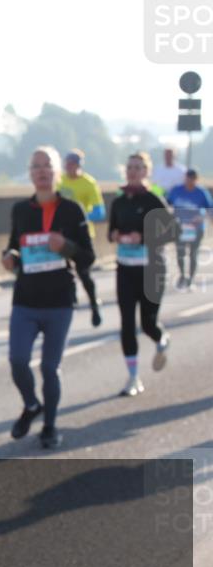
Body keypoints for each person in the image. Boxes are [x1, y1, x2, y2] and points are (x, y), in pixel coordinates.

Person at [2, 146, 94, 448]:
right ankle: (32, 405)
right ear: (30, 173)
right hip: (26, 299)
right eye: (36, 166)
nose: (41, 171)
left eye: (47, 166)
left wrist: (65, 246)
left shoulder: (71, 210)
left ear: (56, 172)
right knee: (17, 360)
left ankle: (50, 426)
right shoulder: (21, 210)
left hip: (59, 301)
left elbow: (87, 258)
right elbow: (14, 245)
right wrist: (10, 257)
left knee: (49, 368)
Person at [108, 152, 177, 397]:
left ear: (146, 171)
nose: (133, 171)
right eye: (129, 167)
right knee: (127, 323)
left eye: (138, 167)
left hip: (151, 269)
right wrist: (115, 236)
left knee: (147, 323)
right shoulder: (118, 202)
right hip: (125, 268)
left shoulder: (153, 200)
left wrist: (145, 238)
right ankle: (133, 377)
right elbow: (111, 231)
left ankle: (160, 337)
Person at [57, 149, 105, 327]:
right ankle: (71, 299)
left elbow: (100, 211)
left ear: (78, 165)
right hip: (62, 234)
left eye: (72, 164)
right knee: (63, 270)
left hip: (82, 234)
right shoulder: (59, 181)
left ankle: (94, 304)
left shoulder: (89, 183)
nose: (69, 168)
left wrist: (82, 217)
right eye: (66, 164)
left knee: (84, 273)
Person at [167, 169, 212, 290]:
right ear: (185, 178)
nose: (189, 182)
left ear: (196, 180)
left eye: (192, 179)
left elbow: (210, 209)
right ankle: (182, 275)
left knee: (193, 253)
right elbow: (166, 204)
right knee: (180, 253)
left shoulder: (201, 192)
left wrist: (201, 217)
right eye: (188, 179)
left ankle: (191, 279)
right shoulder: (176, 190)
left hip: (196, 228)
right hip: (180, 227)